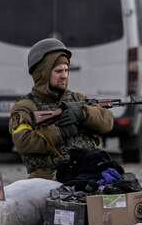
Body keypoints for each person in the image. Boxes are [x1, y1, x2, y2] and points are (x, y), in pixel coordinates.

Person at [9, 38, 115, 179]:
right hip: (47, 177)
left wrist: (84, 114)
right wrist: (61, 132)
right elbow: (23, 142)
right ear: (43, 73)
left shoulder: (77, 99)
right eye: (58, 71)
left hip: (85, 173)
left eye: (66, 70)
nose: (64, 76)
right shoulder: (25, 107)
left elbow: (107, 122)